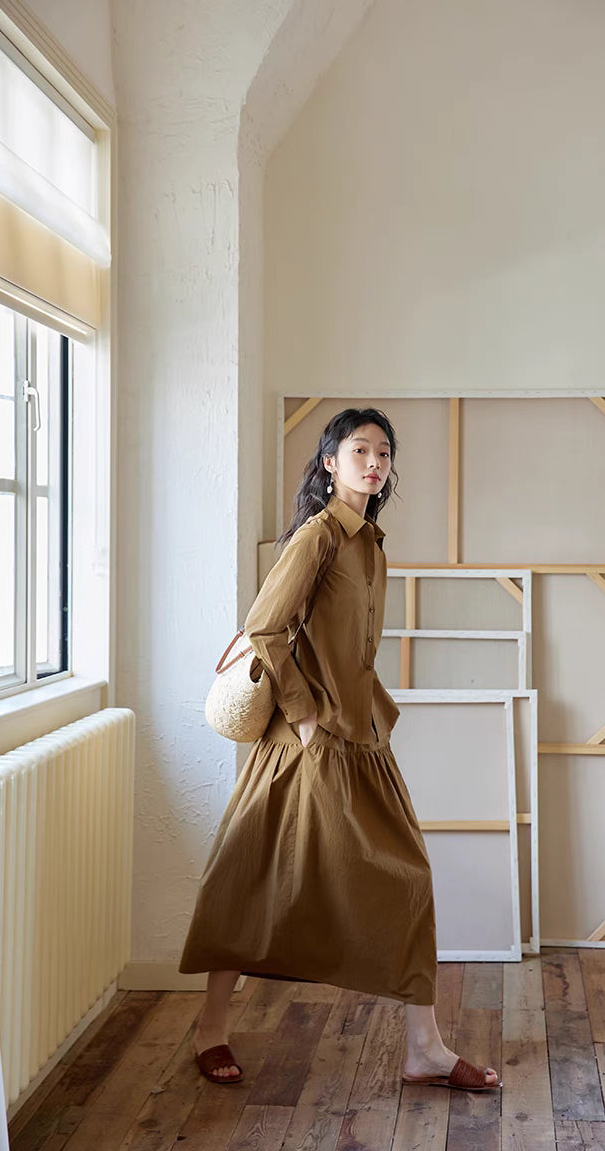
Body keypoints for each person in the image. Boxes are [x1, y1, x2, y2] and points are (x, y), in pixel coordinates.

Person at [178, 407, 501, 1093]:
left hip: (361, 737)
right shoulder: (320, 536)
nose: (375, 461)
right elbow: (264, 627)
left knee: (407, 878)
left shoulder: (370, 542)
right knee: (254, 879)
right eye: (360, 449)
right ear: (329, 462)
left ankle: (425, 1049)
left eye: (384, 451)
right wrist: (300, 717)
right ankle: (210, 1027)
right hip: (309, 743)